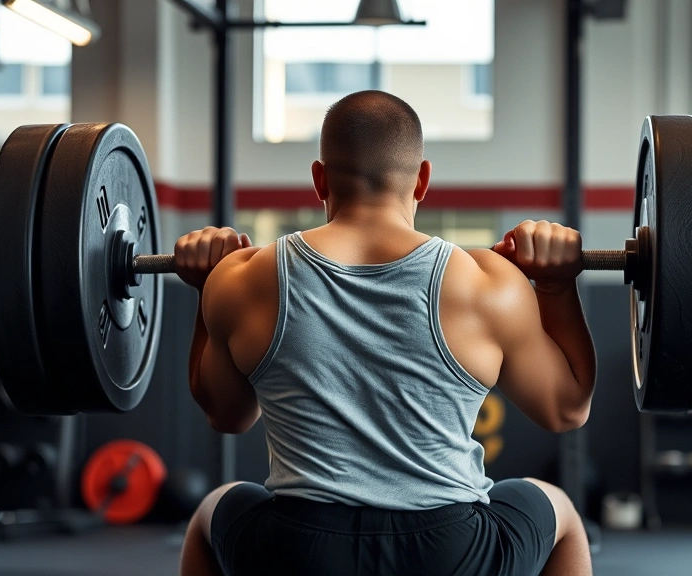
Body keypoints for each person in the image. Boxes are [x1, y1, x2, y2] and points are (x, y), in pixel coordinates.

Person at [173, 90, 596, 576]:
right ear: (422, 181)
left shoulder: (242, 279)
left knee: (214, 509)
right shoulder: (487, 284)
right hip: (451, 554)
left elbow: (228, 415)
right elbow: (566, 410)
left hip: (299, 551)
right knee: (559, 509)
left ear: (318, 180)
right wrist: (557, 287)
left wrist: (207, 288)